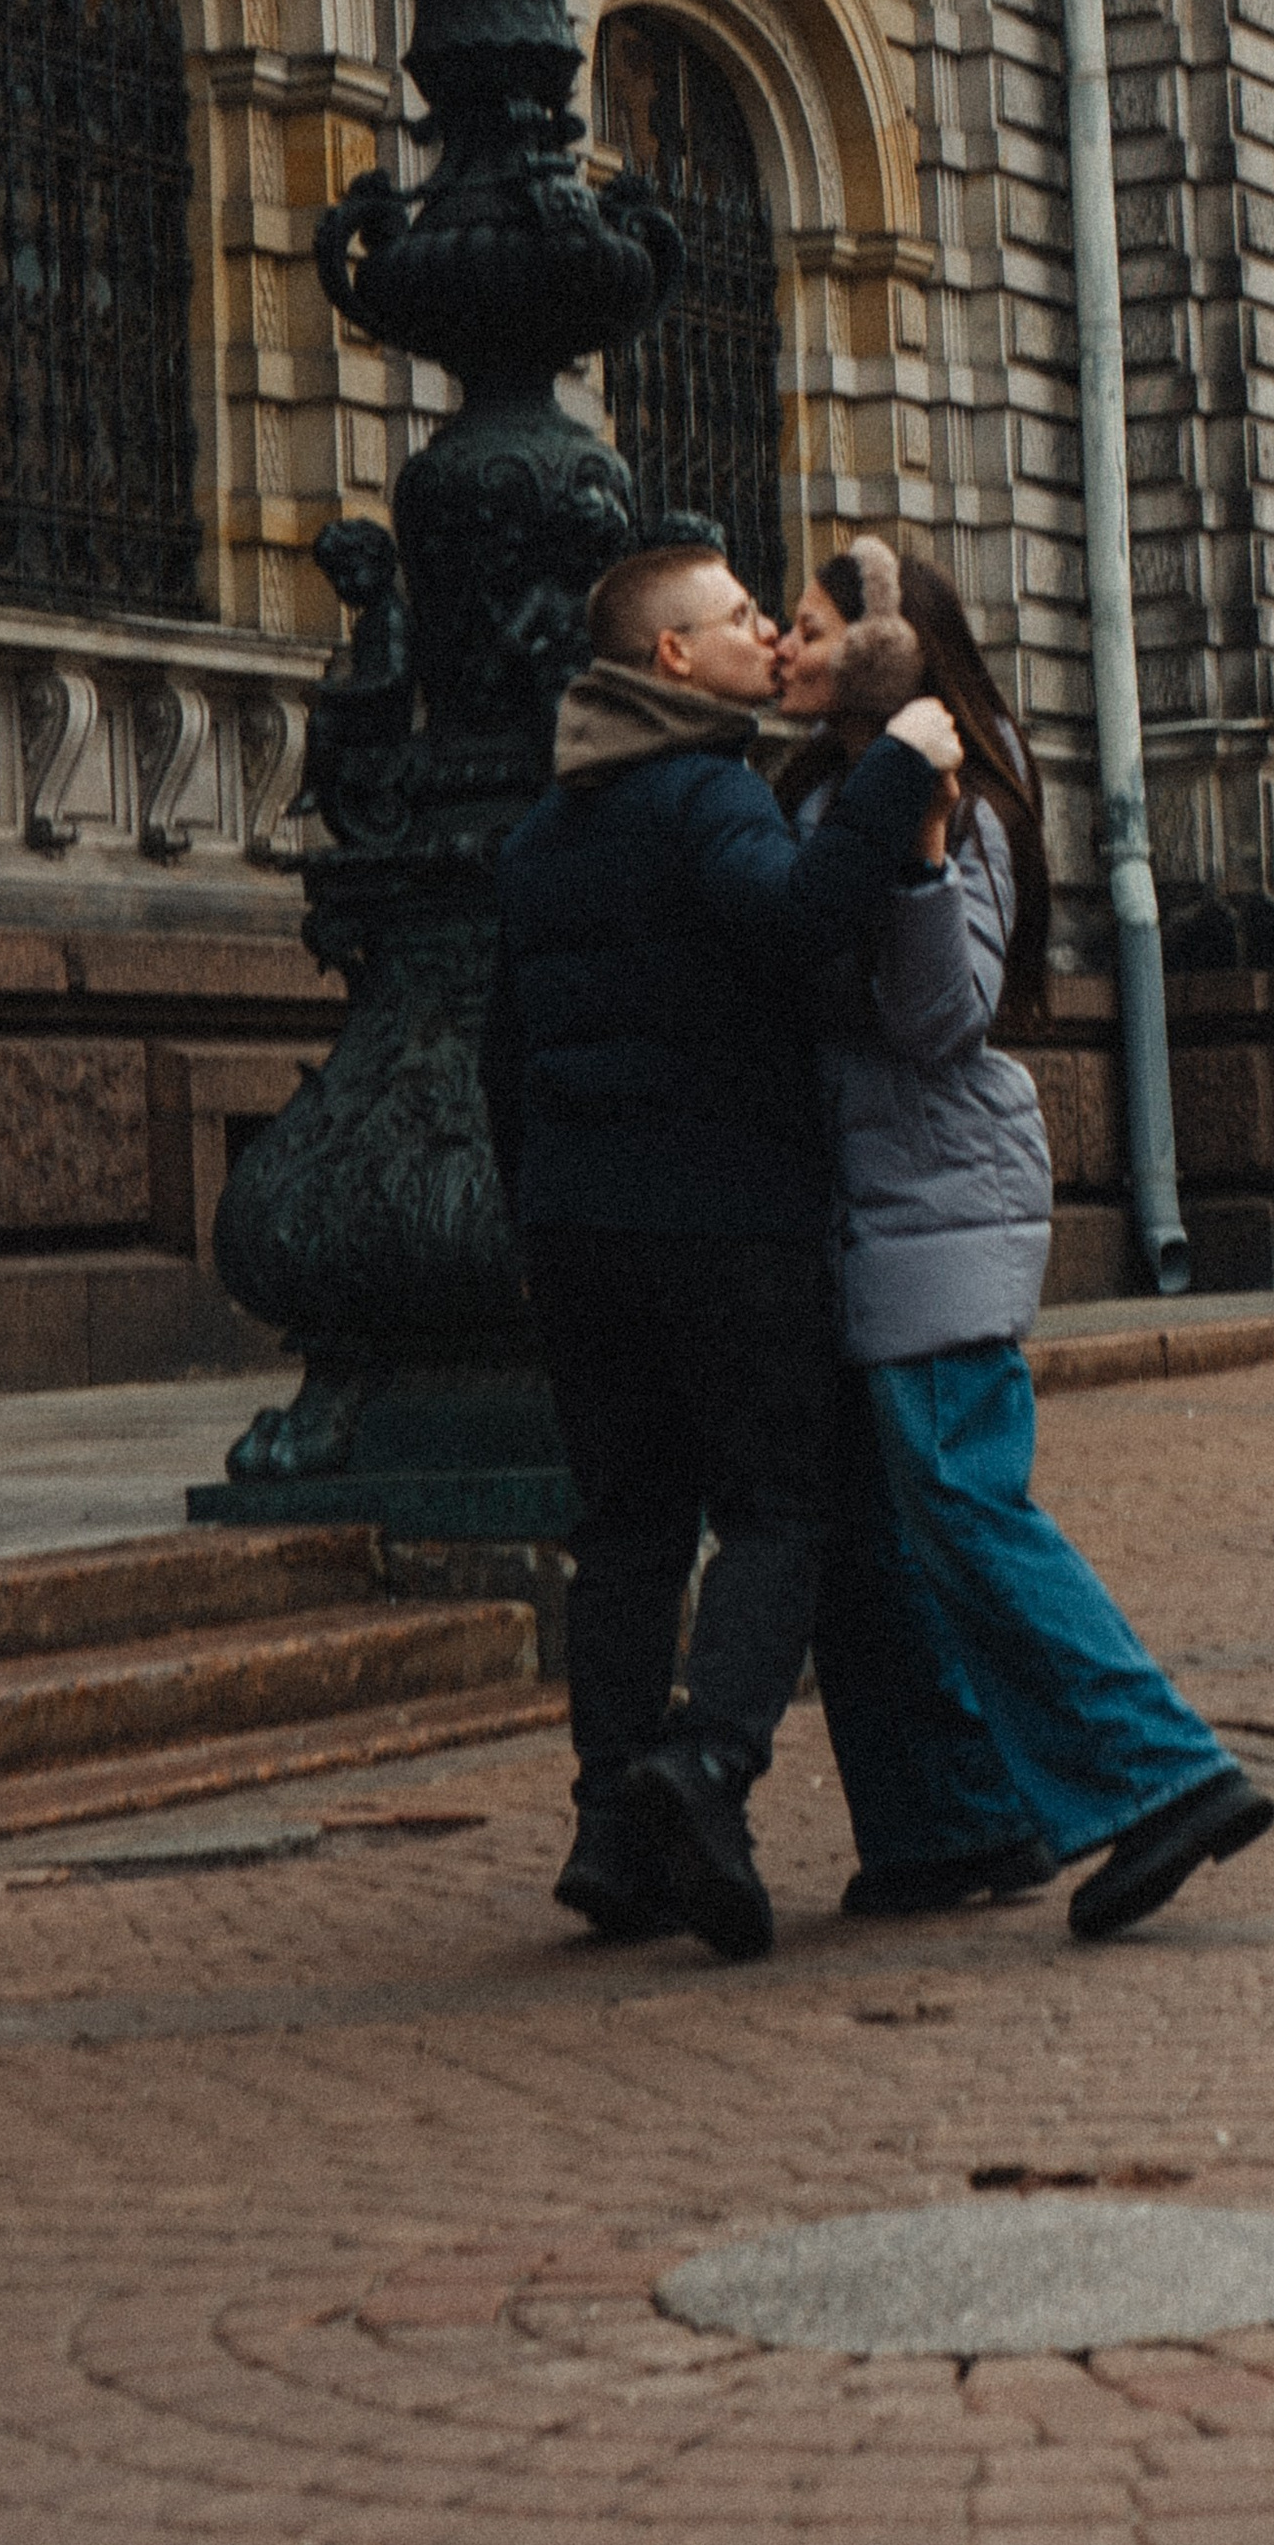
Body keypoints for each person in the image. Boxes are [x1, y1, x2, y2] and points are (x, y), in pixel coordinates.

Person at [774, 537, 1274, 1942]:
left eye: (810, 626)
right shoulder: (807, 792)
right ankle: (954, 1823)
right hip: (854, 1203)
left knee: (960, 1495)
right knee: (870, 1535)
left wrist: (924, 852)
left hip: (939, 1196)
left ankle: (1167, 1775)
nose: (789, 646)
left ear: (887, 650)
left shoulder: (970, 811)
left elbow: (945, 1020)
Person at [480, 539, 960, 1963]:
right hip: (725, 1221)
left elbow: (504, 1053)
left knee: (627, 1530)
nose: (769, 634)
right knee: (776, 1509)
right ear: (673, 659)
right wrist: (897, 772)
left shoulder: (540, 836)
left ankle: (608, 1835)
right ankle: (706, 1767)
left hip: (577, 1230)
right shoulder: (707, 795)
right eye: (742, 616)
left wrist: (537, 1210)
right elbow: (799, 921)